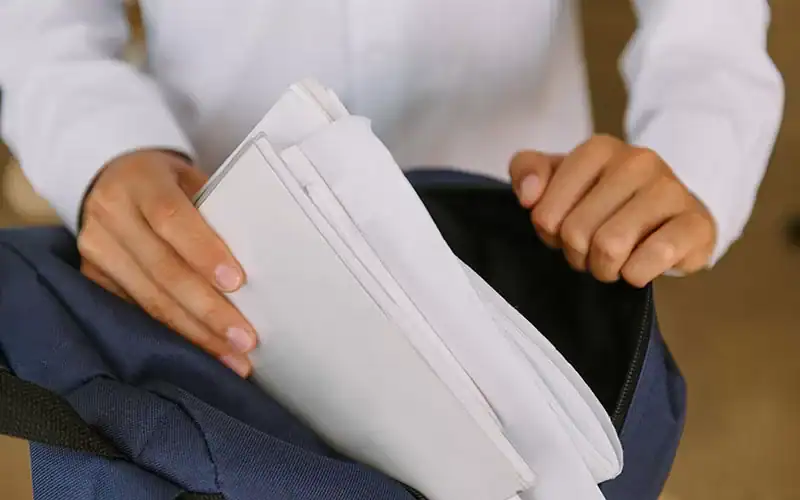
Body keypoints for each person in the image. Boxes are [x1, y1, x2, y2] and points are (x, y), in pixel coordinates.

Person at [0, 1, 783, 377]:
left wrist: (694, 154)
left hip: (521, 267)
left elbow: (707, 29)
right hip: (216, 263)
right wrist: (102, 147)